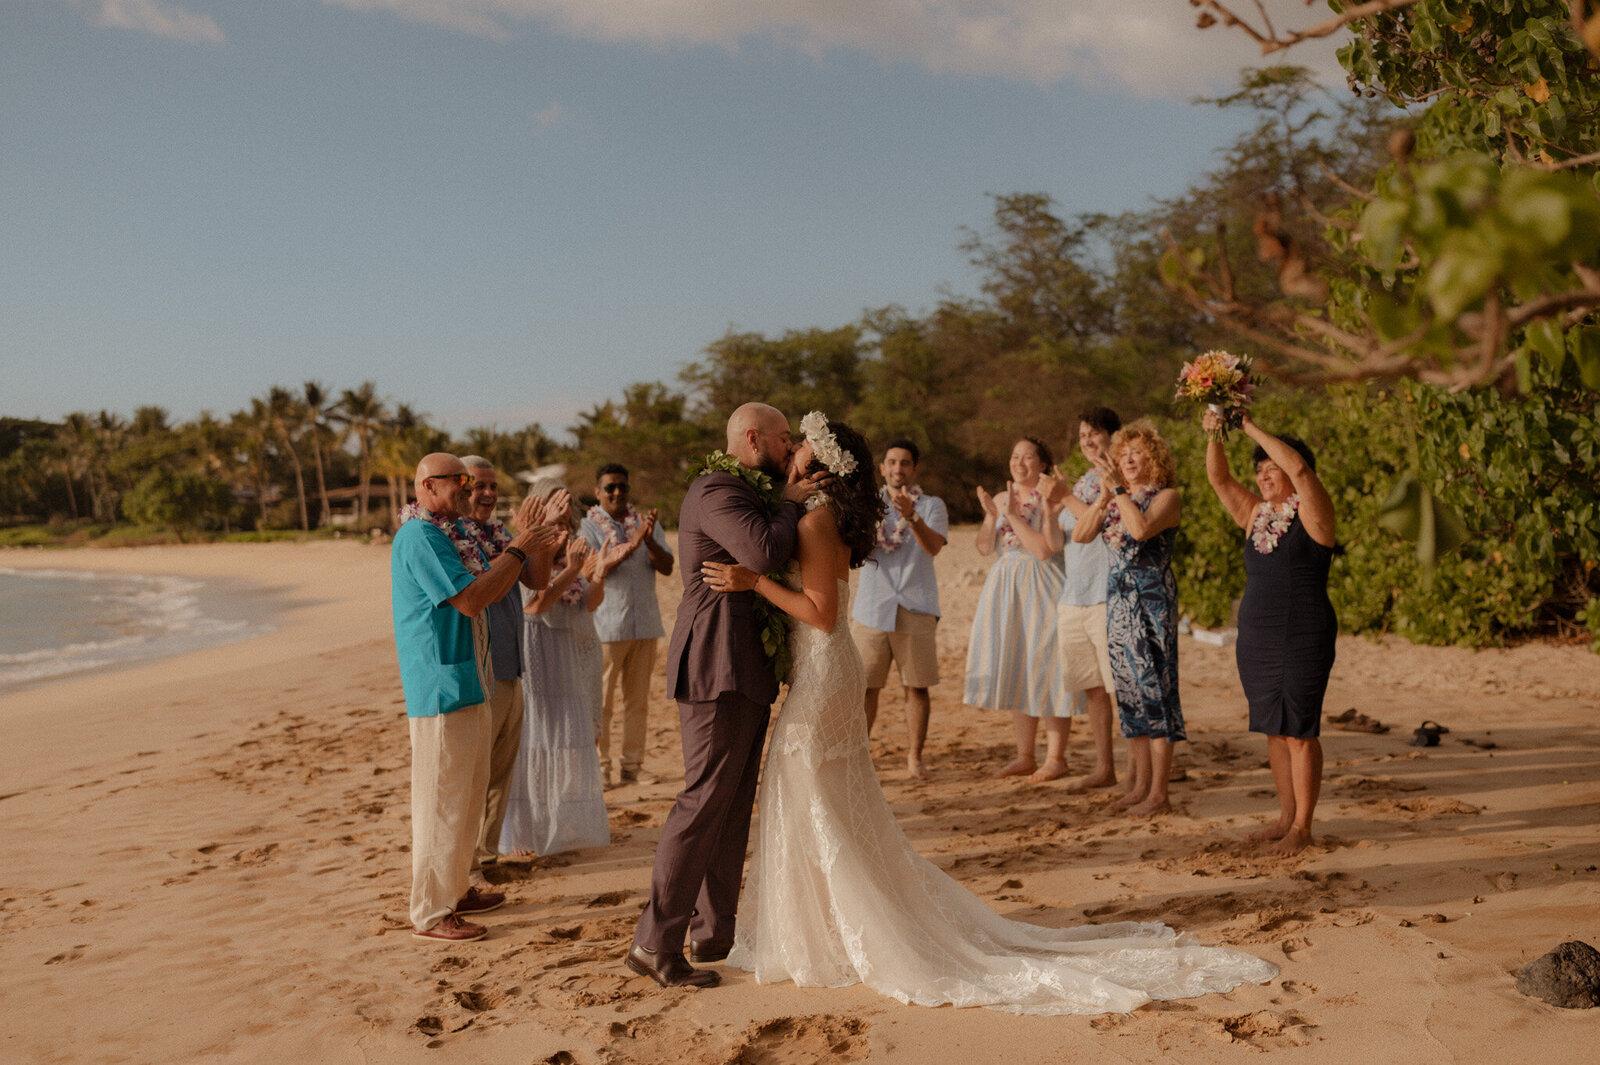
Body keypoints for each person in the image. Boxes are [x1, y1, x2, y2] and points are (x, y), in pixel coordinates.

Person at [702, 414, 1277, 1014]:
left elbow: (819, 613)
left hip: (823, 675)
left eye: (799, 445)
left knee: (810, 792)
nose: (789, 449)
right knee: (828, 801)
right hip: (831, 672)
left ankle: (835, 934)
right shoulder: (814, 511)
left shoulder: (817, 520)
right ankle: (826, 928)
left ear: (818, 462)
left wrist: (752, 583)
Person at [625, 402, 826, 990]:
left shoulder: (751, 490)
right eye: (785, 439)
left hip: (746, 665)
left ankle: (715, 932)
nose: (791, 449)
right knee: (702, 802)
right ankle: (653, 941)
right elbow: (763, 553)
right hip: (716, 663)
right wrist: (790, 505)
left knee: (732, 804)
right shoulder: (717, 489)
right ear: (753, 437)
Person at [390, 452, 560, 943]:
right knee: (442, 800)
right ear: (425, 485)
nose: (467, 489)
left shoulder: (449, 534)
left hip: (472, 678)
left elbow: (515, 581)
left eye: (469, 481)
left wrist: (529, 545)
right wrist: (521, 546)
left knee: (466, 796)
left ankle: (457, 888)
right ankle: (430, 910)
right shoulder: (420, 536)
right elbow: (470, 599)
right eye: (458, 481)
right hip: (441, 685)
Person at [1203, 410, 1337, 856]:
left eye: (1270, 468)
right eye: (1258, 470)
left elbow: (1299, 468)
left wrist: (1246, 424)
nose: (1262, 476)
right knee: (1274, 730)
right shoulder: (1256, 515)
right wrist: (1216, 433)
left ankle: (1303, 825)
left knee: (1299, 730)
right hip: (1257, 635)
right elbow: (1219, 479)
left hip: (1303, 631)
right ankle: (1284, 816)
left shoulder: (1315, 513)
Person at [499, 477, 623, 859]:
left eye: (566, 517)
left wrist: (598, 573)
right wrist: (571, 570)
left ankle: (559, 824)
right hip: (535, 646)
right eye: (555, 514)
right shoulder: (522, 545)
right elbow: (534, 604)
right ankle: (524, 831)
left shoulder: (570, 545)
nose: (562, 524)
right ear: (538, 508)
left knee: (567, 738)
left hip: (567, 650)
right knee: (535, 738)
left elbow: (587, 602)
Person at [1072, 421, 1184, 816]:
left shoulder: (1167, 497)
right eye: (1123, 454)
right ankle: (1137, 785)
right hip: (1118, 601)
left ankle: (1159, 793)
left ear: (1153, 458)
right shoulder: (1116, 498)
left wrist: (1118, 492)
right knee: (1130, 695)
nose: (1129, 459)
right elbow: (1080, 536)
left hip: (1151, 602)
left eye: (1137, 452)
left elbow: (1140, 530)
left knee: (1156, 693)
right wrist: (1102, 500)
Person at [963, 436, 1080, 782]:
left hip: (1042, 584)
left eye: (1028, 457)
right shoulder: (1002, 498)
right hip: (1007, 585)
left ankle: (1056, 757)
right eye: (1015, 456)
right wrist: (991, 517)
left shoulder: (1050, 495)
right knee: (1019, 663)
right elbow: (985, 548)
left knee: (1048, 666)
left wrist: (1013, 518)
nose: (1019, 463)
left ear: (1042, 464)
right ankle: (1024, 754)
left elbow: (1044, 550)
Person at [457, 455, 540, 882]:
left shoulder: (502, 533)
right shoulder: (456, 536)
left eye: (492, 486)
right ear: (459, 487)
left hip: (513, 661)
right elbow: (485, 588)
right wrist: (521, 541)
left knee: (501, 772)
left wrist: (539, 537)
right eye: (477, 486)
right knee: (477, 771)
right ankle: (467, 865)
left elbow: (537, 579)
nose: (487, 494)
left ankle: (486, 858)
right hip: (481, 666)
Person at [851, 438, 948, 778]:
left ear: (914, 469)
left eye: (905, 463)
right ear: (882, 468)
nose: (897, 469)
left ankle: (915, 758)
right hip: (871, 608)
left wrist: (912, 516)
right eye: (891, 462)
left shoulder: (933, 505)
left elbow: (934, 547)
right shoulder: (865, 504)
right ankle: (858, 759)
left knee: (917, 687)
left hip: (915, 606)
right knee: (865, 688)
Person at [1041, 408, 1122, 793]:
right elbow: (1059, 543)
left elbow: (1096, 528)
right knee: (1092, 689)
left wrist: (1065, 496)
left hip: (1109, 594)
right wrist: (1051, 505)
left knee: (1120, 687)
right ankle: (1104, 766)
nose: (1087, 440)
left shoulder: (1120, 476)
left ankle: (1143, 770)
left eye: (1095, 433)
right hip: (1074, 596)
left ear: (1113, 436)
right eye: (1083, 434)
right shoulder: (1085, 480)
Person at [579, 463, 675, 789]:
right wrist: (632, 544)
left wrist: (648, 541)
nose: (617, 492)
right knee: (602, 703)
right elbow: (594, 570)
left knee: (638, 702)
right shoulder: (587, 528)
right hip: (606, 626)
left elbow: (667, 567)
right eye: (610, 488)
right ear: (597, 492)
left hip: (646, 623)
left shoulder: (646, 524)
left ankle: (633, 767)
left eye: (622, 486)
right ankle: (602, 769)